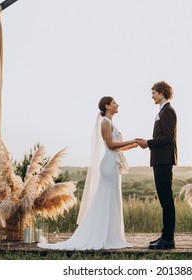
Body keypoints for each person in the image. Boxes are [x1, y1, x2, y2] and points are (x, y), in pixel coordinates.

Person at [37, 96, 138, 250]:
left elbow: (118, 147)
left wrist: (134, 145)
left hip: (114, 165)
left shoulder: (111, 123)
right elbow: (110, 145)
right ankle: (102, 236)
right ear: (107, 106)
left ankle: (112, 236)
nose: (117, 105)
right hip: (109, 165)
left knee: (113, 200)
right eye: (114, 103)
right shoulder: (105, 123)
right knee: (107, 199)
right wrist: (130, 140)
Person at [137, 81, 178, 250]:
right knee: (164, 199)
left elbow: (169, 138)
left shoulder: (168, 111)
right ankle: (165, 235)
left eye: (153, 93)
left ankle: (168, 239)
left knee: (166, 199)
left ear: (162, 92)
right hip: (159, 159)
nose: (152, 96)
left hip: (164, 159)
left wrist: (148, 143)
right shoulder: (163, 111)